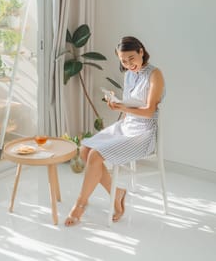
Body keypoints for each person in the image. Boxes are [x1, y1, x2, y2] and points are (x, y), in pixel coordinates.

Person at [64, 36, 165, 226]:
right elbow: (129, 104)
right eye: (123, 61)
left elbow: (150, 111)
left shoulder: (155, 74)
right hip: (126, 126)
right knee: (85, 150)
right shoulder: (129, 75)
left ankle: (80, 204)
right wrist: (117, 104)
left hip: (143, 134)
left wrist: (121, 108)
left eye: (131, 59)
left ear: (141, 52)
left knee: (95, 155)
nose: (128, 65)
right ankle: (116, 193)